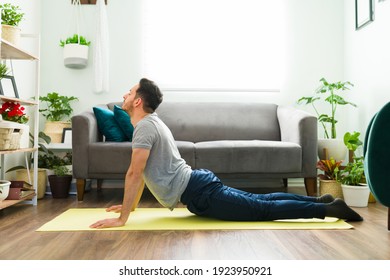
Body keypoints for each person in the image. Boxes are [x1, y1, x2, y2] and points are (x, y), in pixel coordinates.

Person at [90, 78, 363, 229]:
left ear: (138, 101)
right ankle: (320, 199)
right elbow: (144, 173)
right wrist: (131, 207)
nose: (124, 94)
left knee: (261, 209)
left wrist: (123, 218)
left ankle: (326, 208)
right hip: (198, 187)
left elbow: (135, 173)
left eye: (129, 92)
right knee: (261, 200)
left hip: (199, 192)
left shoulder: (145, 128)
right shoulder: (149, 124)